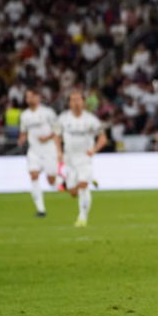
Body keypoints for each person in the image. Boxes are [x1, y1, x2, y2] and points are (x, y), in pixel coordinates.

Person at [55, 90, 107, 227]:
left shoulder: (91, 120)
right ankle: (88, 181)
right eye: (73, 100)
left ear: (83, 102)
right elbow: (56, 136)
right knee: (73, 192)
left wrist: (94, 150)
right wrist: (59, 152)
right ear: (69, 103)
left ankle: (82, 218)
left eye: (78, 99)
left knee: (83, 185)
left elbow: (103, 137)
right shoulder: (62, 119)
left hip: (84, 158)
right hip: (69, 159)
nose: (76, 102)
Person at [18, 87, 59, 217]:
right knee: (33, 176)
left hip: (49, 150)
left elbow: (58, 129)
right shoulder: (24, 115)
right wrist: (22, 139)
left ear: (38, 97)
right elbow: (24, 132)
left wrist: (48, 138)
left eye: (30, 96)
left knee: (51, 180)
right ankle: (41, 210)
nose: (28, 99)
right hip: (34, 151)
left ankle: (62, 183)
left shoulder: (48, 113)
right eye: (26, 97)